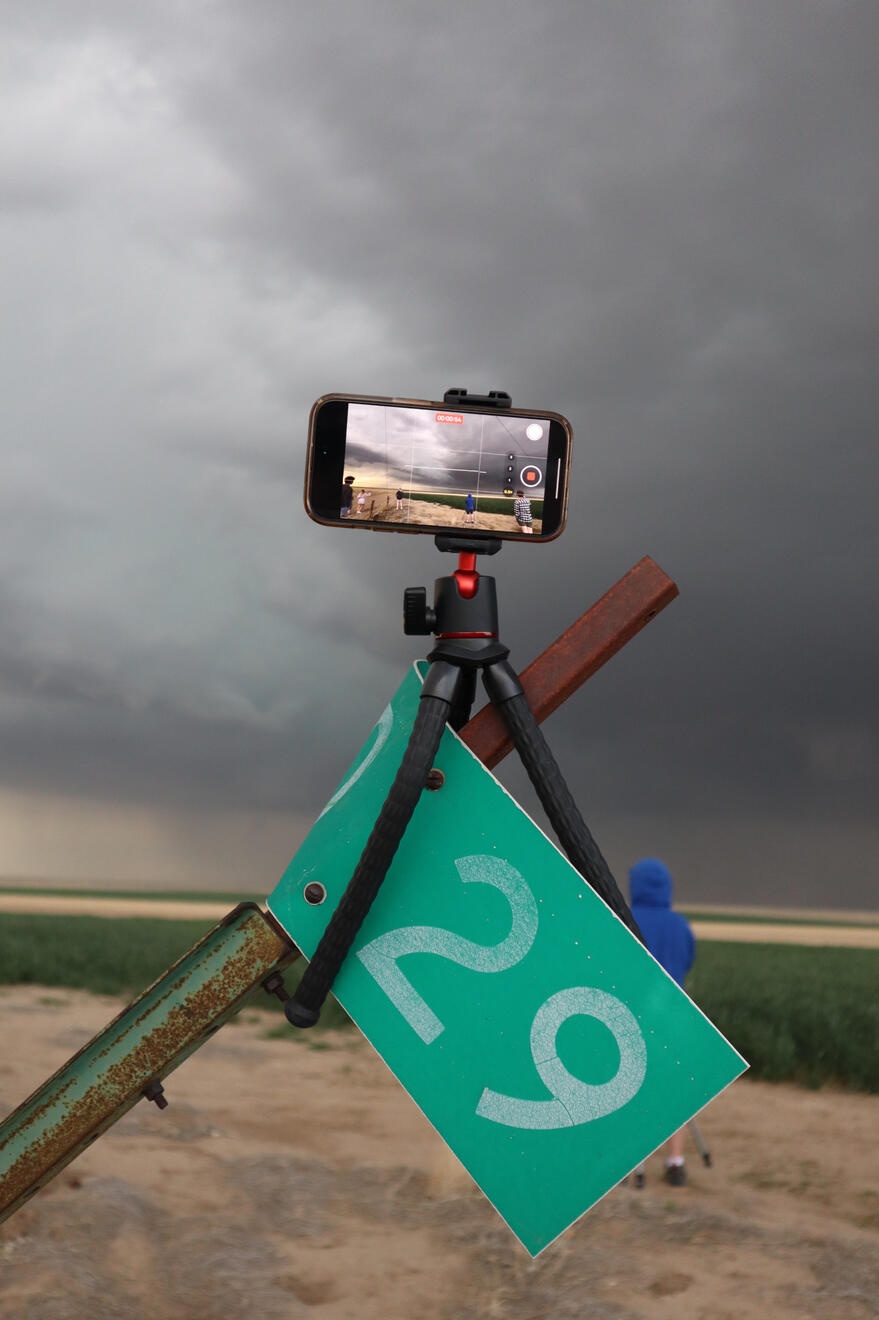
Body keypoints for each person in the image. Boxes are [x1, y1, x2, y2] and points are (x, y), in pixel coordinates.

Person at [629, 857, 696, 1186]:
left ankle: (634, 1167)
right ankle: (675, 1163)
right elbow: (687, 962)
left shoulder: (625, 920)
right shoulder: (681, 926)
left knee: (634, 1093)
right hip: (673, 1020)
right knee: (674, 1093)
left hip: (634, 1019)